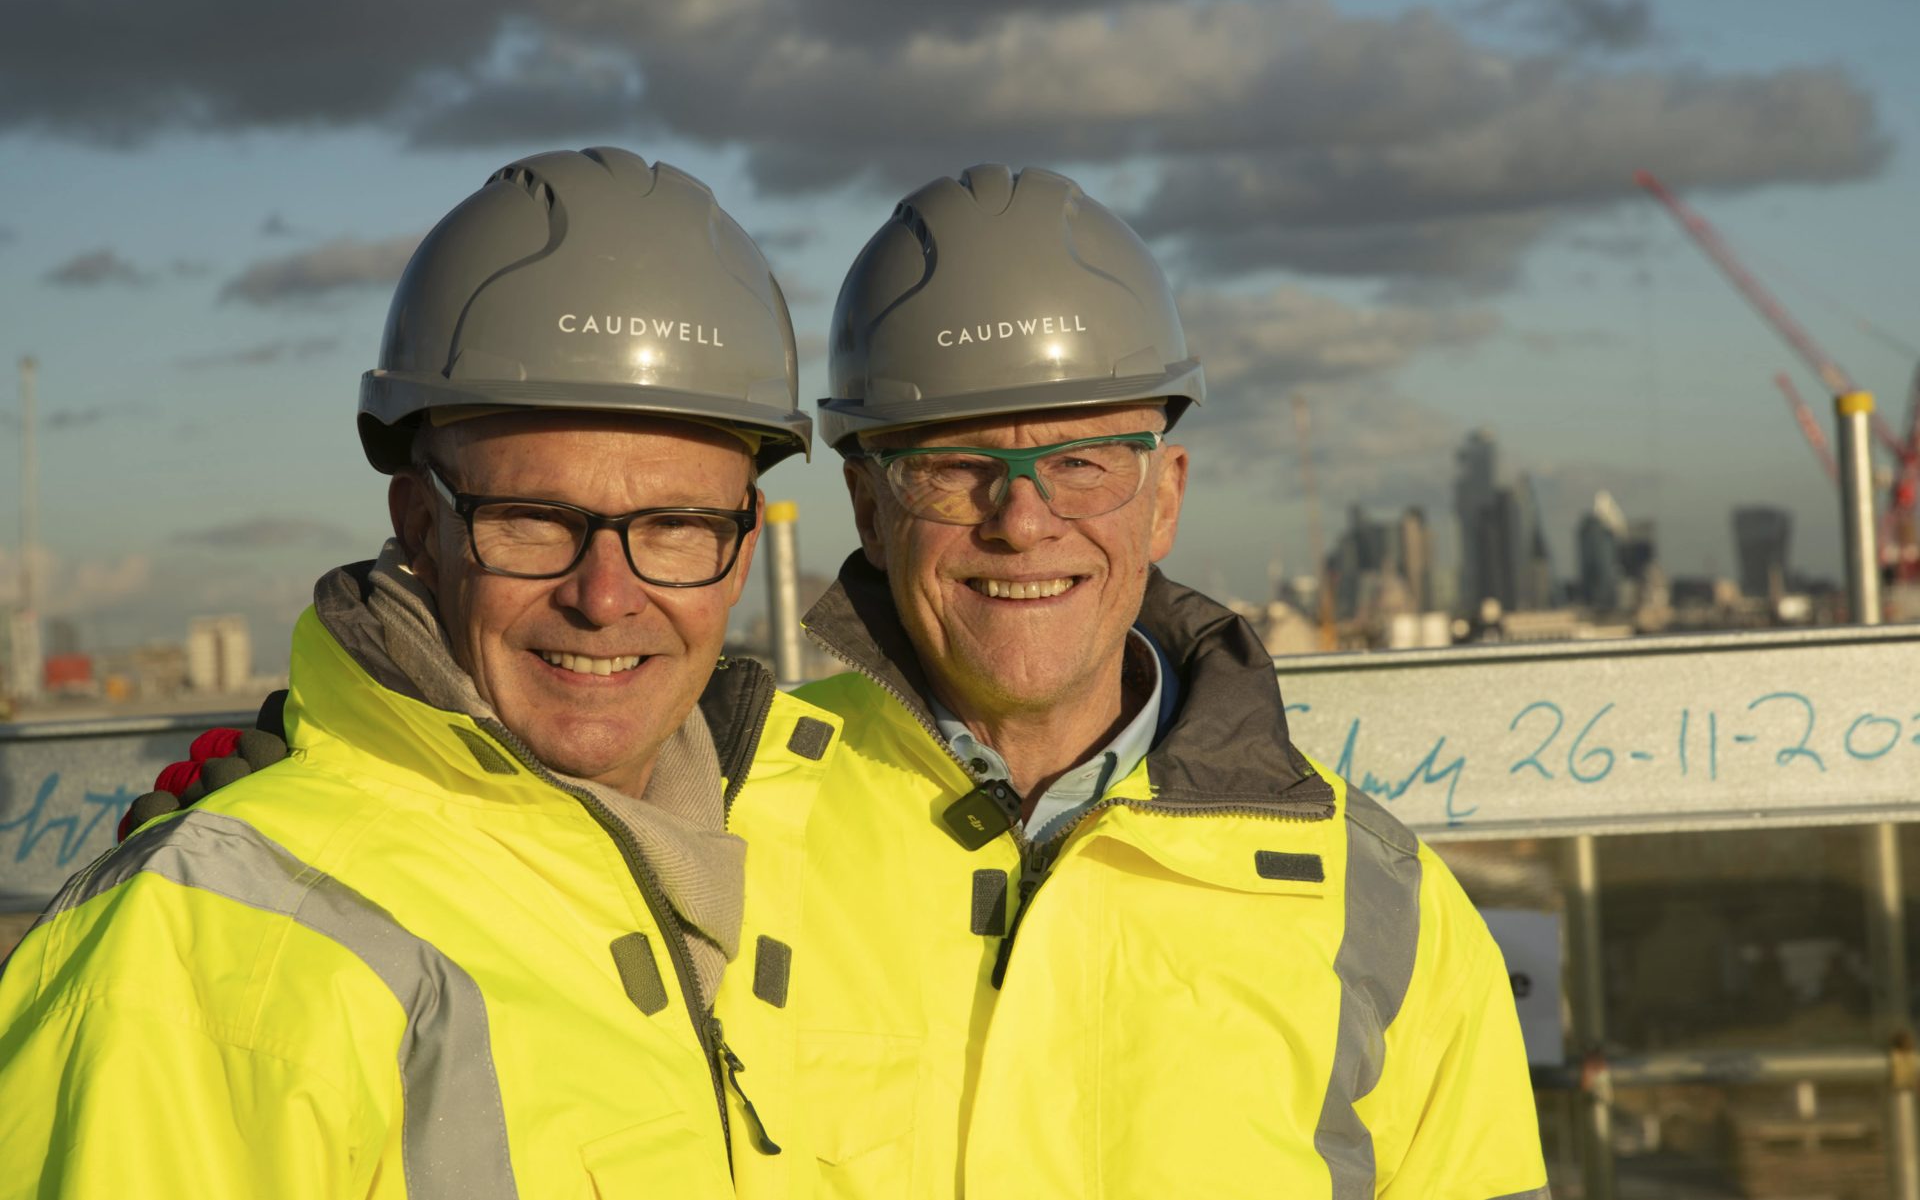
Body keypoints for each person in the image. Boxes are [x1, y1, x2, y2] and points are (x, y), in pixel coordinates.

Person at [94, 164, 1549, 1198]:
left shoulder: (1378, 910)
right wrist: (315, 784)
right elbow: (475, 829)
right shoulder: (709, 820)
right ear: (863, 499)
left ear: (1164, 497)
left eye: (1084, 463)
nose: (1024, 520)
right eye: (954, 466)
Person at [0, 147, 830, 1197]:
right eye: (534, 519)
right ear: (420, 527)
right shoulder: (193, 949)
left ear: (743, 547)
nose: (605, 596)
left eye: (674, 525)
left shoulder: (814, 848)